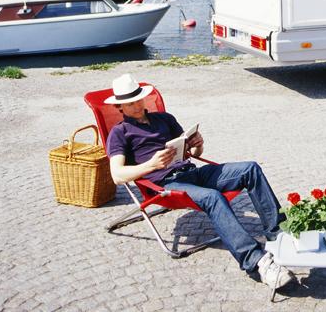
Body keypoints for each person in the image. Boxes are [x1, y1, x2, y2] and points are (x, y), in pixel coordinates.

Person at [105, 74, 296, 290]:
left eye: (139, 99)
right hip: (165, 185)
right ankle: (257, 262)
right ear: (120, 106)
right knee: (212, 197)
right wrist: (152, 165)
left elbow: (192, 152)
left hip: (192, 173)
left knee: (250, 168)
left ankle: (279, 235)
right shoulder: (120, 133)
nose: (137, 105)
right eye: (130, 103)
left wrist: (197, 145)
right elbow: (117, 175)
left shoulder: (164, 119)